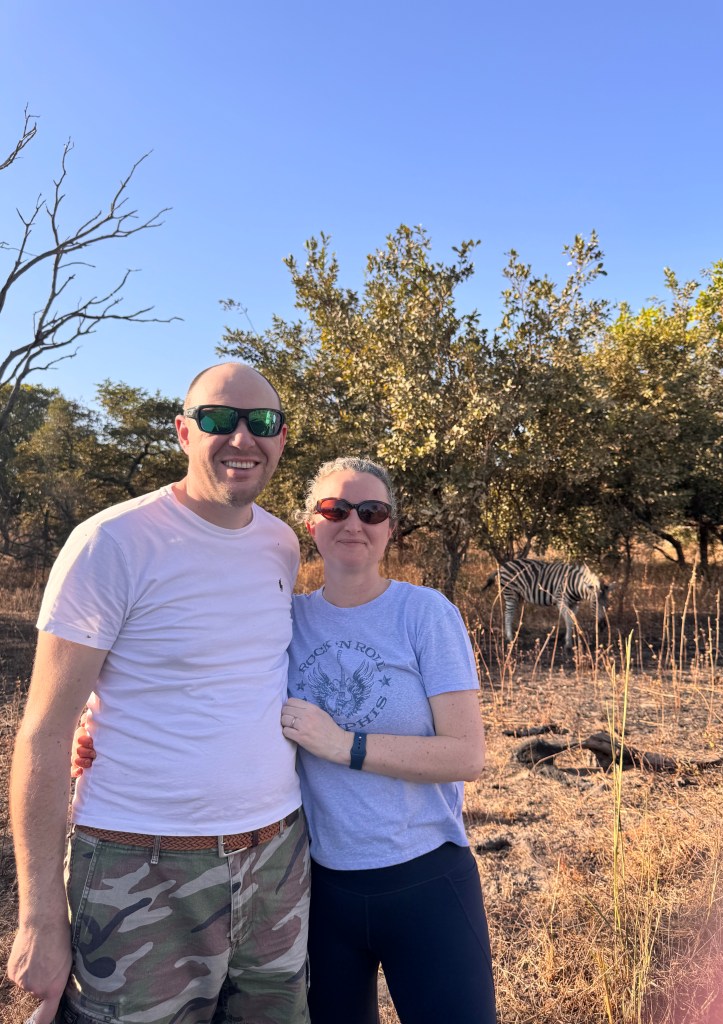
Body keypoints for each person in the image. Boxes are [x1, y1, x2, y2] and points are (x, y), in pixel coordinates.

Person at [7, 362, 310, 1024]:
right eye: (216, 419)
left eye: (261, 422)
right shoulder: (111, 543)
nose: (241, 438)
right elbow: (46, 731)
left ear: (281, 438)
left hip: (276, 857)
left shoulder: (280, 544)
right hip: (138, 866)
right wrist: (39, 914)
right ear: (182, 431)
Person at [281, 456, 496, 1024]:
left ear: (390, 527)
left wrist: (343, 744)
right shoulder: (285, 620)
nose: (354, 522)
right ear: (312, 525)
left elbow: (466, 754)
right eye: (335, 509)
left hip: (426, 879)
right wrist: (99, 726)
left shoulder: (424, 612)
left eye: (371, 511)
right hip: (321, 890)